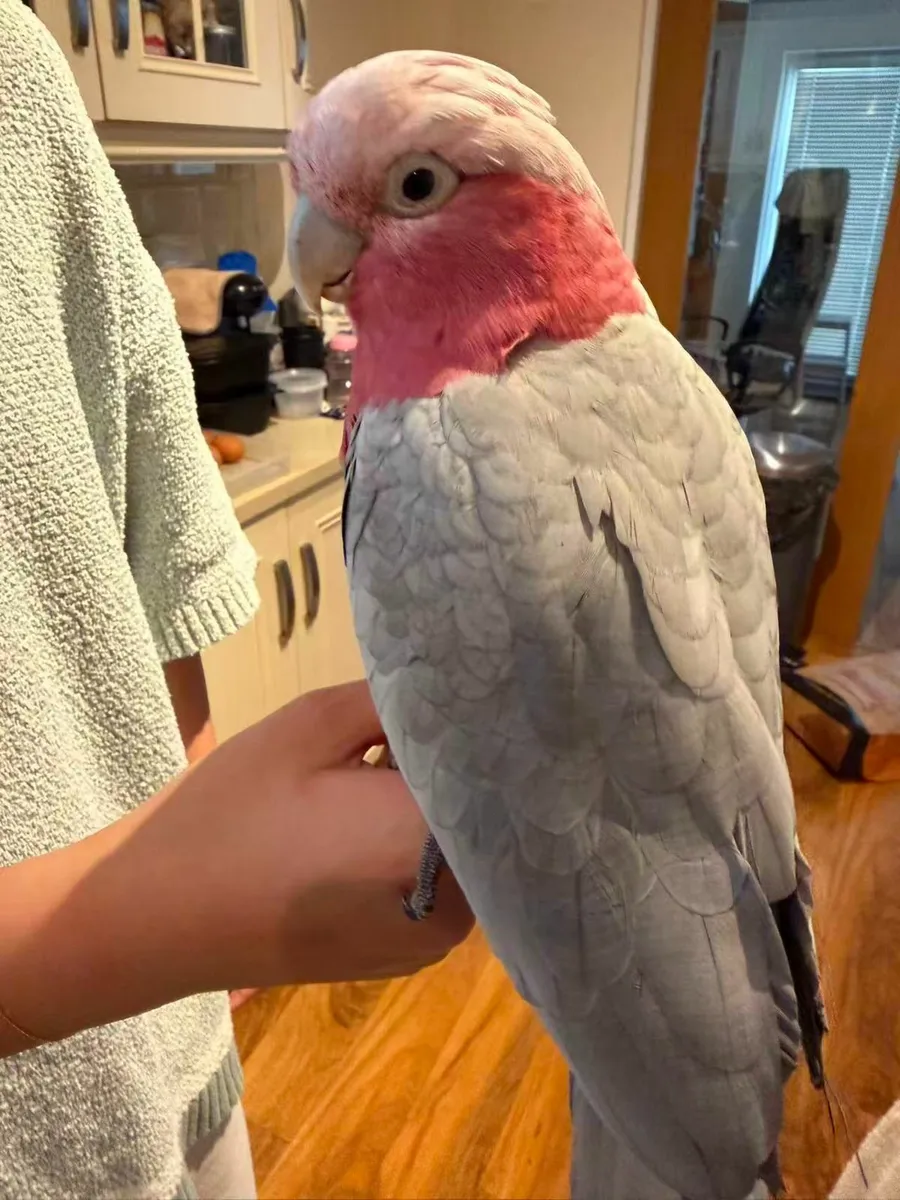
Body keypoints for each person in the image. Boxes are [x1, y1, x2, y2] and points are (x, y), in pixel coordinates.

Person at [0, 3, 471, 1198]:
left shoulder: (19, 70)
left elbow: (147, 536)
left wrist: (197, 858)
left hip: (169, 1069)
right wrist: (173, 905)